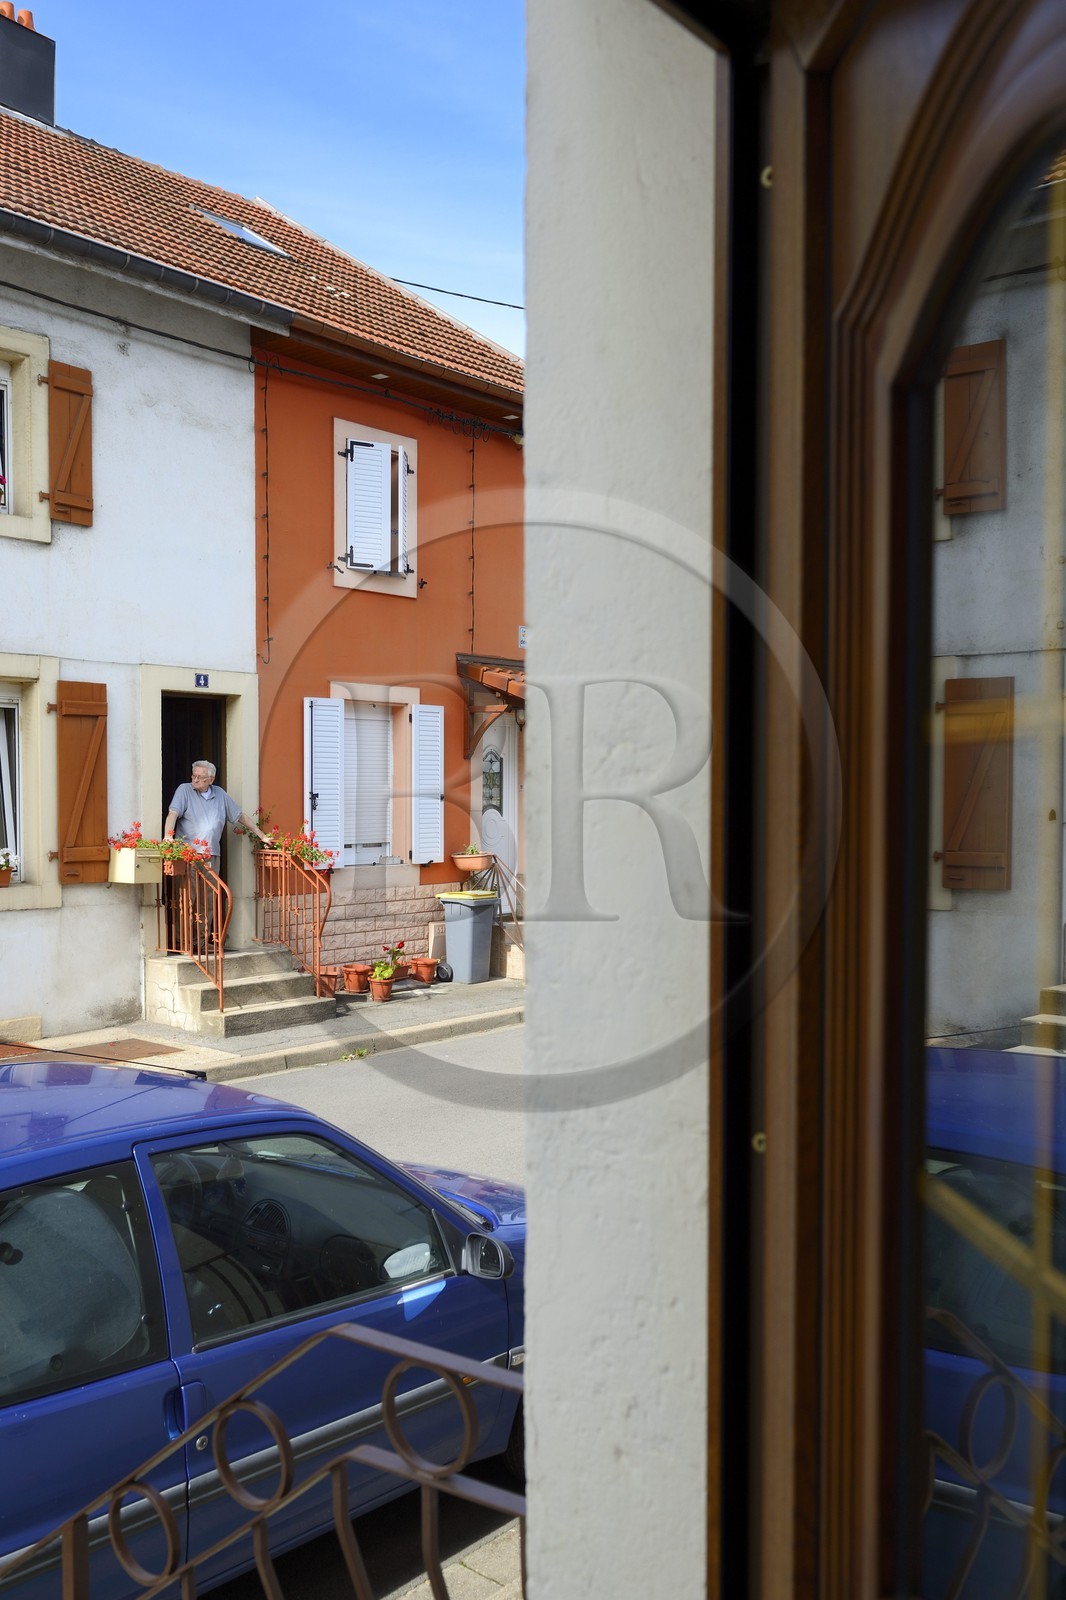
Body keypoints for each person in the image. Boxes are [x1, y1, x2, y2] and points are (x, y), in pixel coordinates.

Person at [164, 760, 270, 873]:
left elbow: (240, 816)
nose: (195, 779)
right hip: (188, 853)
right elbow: (173, 813)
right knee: (190, 889)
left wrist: (262, 836)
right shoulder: (184, 790)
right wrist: (168, 836)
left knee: (211, 889)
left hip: (211, 852)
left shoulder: (220, 793)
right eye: (194, 775)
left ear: (211, 779)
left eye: (200, 777)